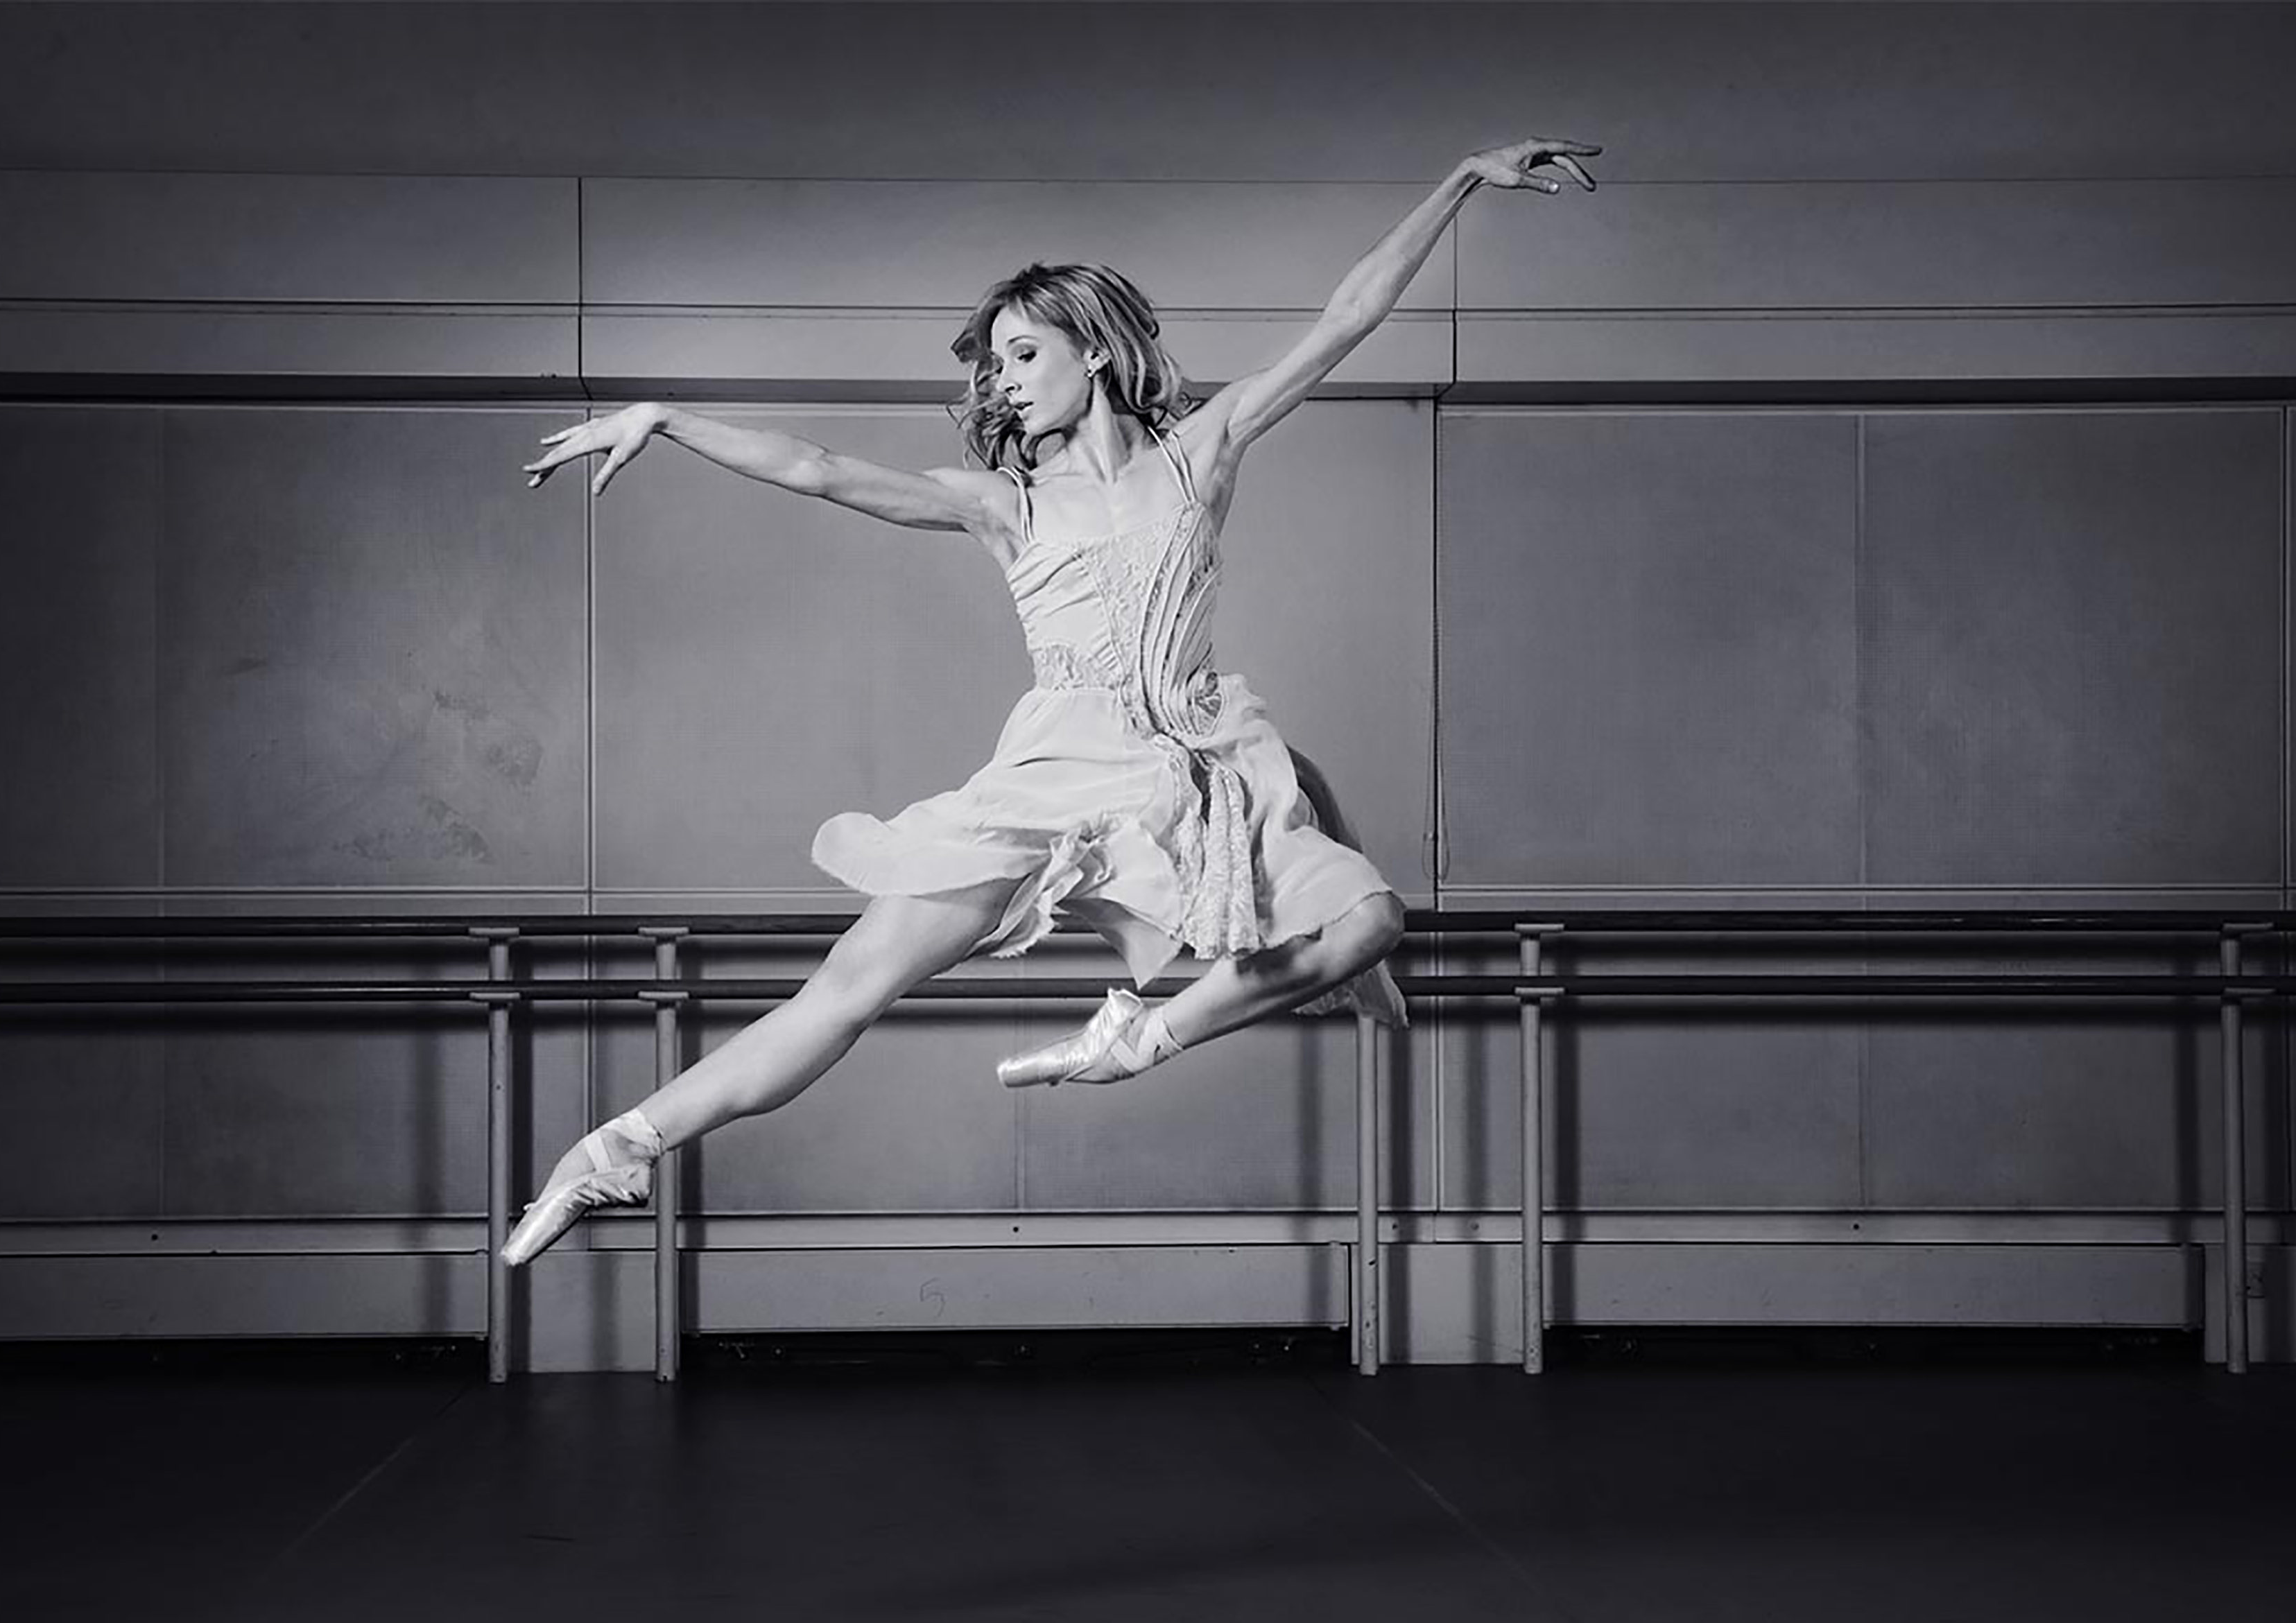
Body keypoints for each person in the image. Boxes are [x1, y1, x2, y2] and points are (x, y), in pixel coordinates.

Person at [503, 135, 1600, 1267]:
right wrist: (664, 417)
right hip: (1056, 771)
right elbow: (817, 469)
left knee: (1368, 920)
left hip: (1194, 766)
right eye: (994, 367)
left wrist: (1461, 181)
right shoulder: (1005, 506)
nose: (1004, 381)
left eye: (1024, 354)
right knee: (847, 987)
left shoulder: (1201, 454)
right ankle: (614, 1150)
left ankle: (1140, 1036)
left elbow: (1348, 317)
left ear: (1096, 350)